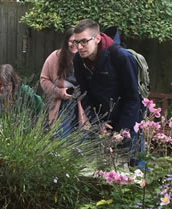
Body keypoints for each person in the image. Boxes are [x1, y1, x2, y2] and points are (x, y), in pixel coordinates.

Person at [72, 19, 142, 164]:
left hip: (128, 120)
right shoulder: (78, 61)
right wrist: (98, 123)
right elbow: (84, 95)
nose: (79, 47)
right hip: (103, 123)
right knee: (101, 170)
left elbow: (133, 97)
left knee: (132, 171)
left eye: (84, 41)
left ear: (97, 38)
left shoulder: (121, 57)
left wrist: (123, 130)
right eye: (76, 42)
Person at [40, 27, 82, 136]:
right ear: (66, 41)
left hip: (83, 104)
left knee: (81, 139)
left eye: (77, 41)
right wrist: (59, 92)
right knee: (62, 138)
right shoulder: (55, 57)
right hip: (62, 103)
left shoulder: (86, 57)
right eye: (71, 41)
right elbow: (44, 79)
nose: (74, 44)